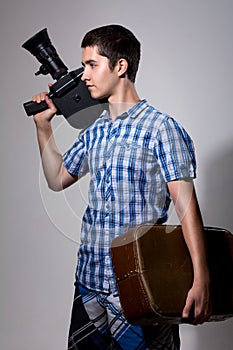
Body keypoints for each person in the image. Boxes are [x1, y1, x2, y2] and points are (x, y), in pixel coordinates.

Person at [32, 24, 211, 349]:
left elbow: (187, 210)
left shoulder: (161, 129)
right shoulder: (96, 130)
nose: (83, 74)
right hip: (89, 285)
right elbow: (57, 178)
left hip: (139, 286)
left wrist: (201, 278)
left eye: (91, 65)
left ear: (120, 66)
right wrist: (43, 128)